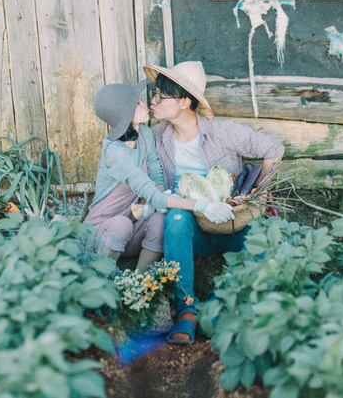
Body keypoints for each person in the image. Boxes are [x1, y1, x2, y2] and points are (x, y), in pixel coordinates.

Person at [143, 61, 285, 344]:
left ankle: (223, 305)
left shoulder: (222, 131)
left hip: (233, 224)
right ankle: (186, 310)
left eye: (161, 95)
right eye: (154, 93)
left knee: (262, 237)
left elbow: (274, 148)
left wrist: (259, 192)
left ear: (184, 101)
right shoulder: (157, 137)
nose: (153, 101)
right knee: (176, 218)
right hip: (191, 231)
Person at [84, 80, 235, 272]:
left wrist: (160, 189)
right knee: (121, 225)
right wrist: (204, 205)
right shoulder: (116, 153)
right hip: (101, 233)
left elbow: (155, 168)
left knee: (158, 221)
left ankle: (139, 282)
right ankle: (101, 280)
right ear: (125, 113)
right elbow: (152, 194)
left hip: (132, 227)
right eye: (137, 103)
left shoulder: (145, 134)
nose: (144, 104)